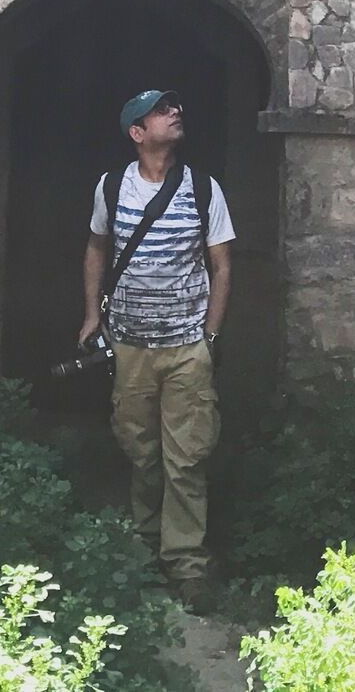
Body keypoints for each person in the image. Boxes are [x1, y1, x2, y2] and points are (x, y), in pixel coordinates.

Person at [78, 88, 234, 605]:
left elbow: (222, 266)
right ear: (137, 133)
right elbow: (97, 248)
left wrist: (210, 336)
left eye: (175, 107)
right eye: (161, 111)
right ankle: (145, 548)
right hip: (130, 346)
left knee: (186, 459)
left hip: (187, 346)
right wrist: (92, 316)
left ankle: (187, 565)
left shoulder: (204, 189)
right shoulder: (112, 187)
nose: (175, 112)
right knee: (142, 453)